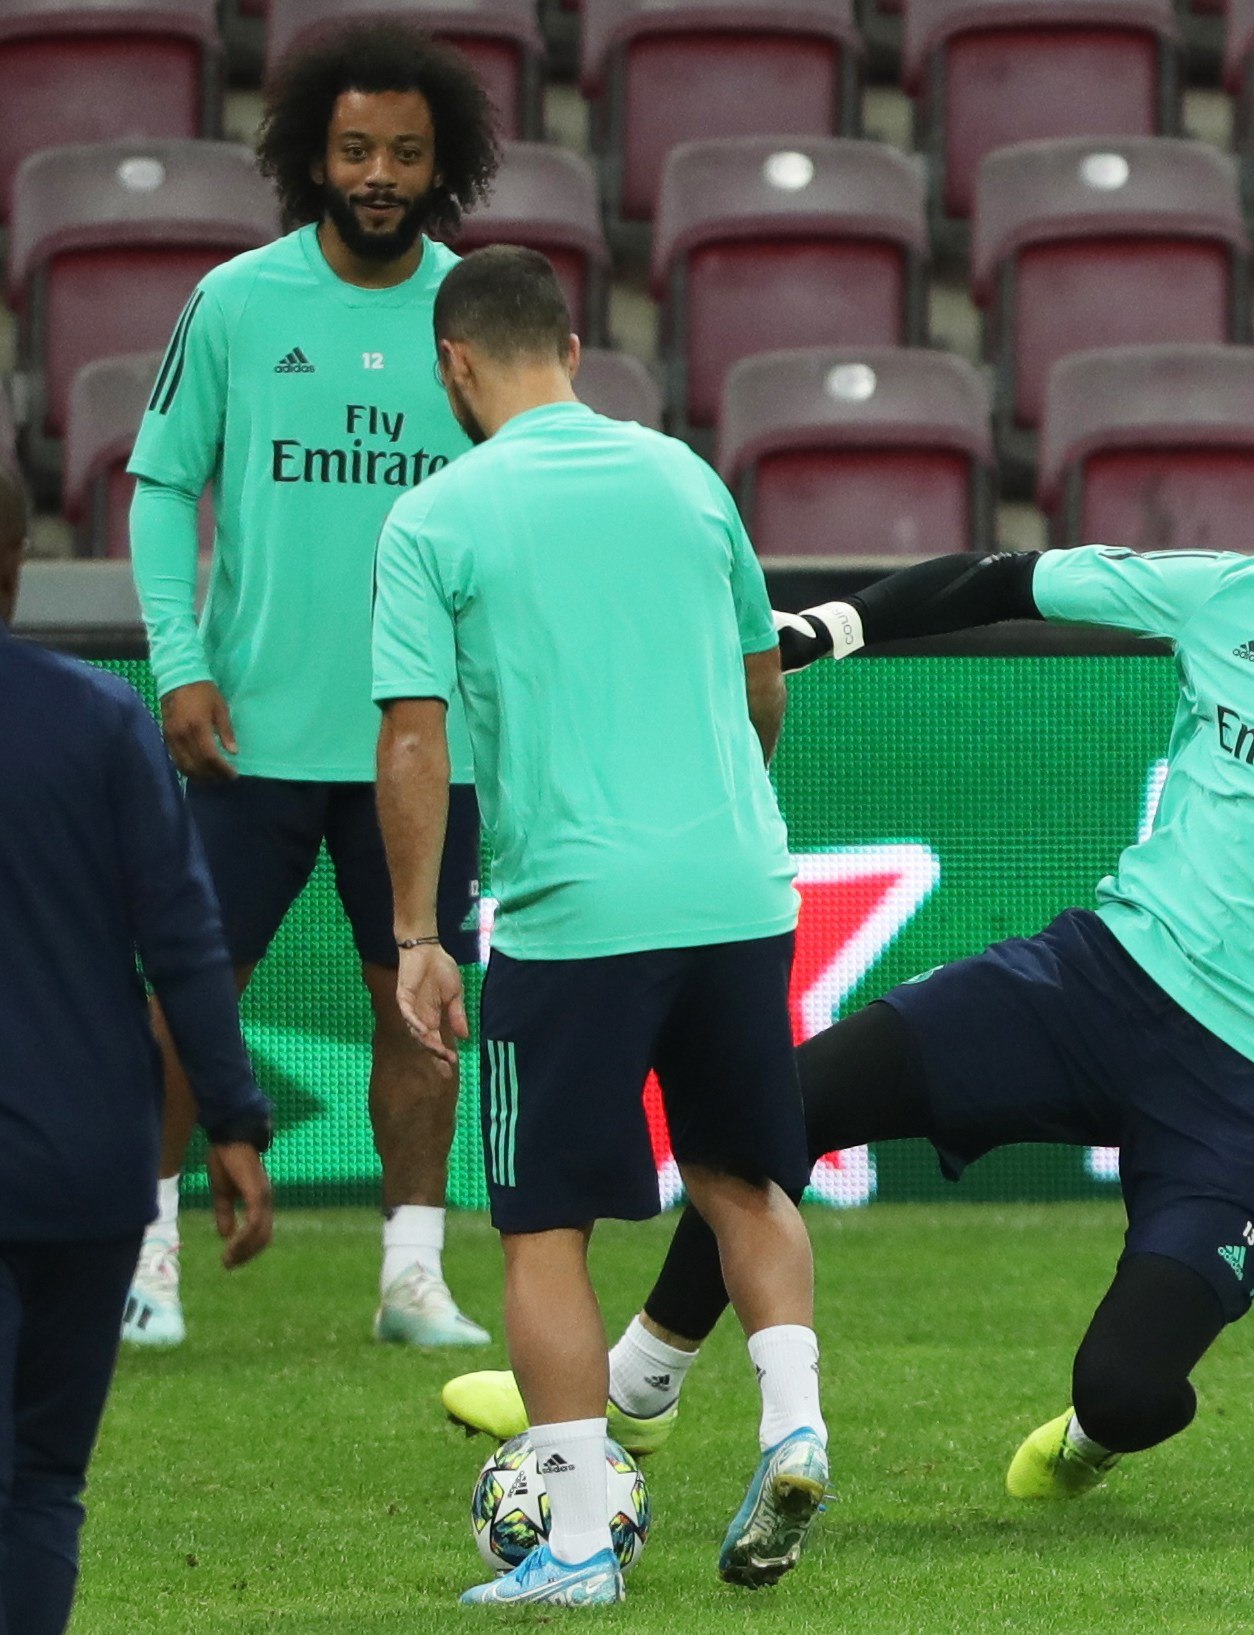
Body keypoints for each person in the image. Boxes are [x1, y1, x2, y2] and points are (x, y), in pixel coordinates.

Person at [444, 364, 1254, 1503]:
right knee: (784, 1102)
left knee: (1126, 1388)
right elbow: (1007, 578)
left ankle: (1090, 1442)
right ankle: (639, 1387)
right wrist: (828, 629)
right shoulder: (1233, 593)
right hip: (1104, 984)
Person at [372, 247, 826, 1607]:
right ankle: (792, 1420)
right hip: (741, 886)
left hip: (577, 910)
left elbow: (410, 735)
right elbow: (761, 683)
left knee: (543, 1224)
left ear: (454, 364)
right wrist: (729, 821)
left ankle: (575, 1542)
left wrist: (417, 930)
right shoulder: (689, 476)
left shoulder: (436, 516)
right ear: (571, 343)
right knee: (743, 1174)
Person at [124, 22, 504, 1350]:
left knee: (420, 998)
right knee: (188, 993)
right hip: (253, 736)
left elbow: (522, 503)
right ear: (311, 157)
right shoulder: (237, 302)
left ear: (442, 160)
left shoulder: (475, 310)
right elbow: (164, 483)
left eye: (406, 149)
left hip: (424, 741)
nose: (381, 171)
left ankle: (413, 1276)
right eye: (356, 148)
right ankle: (147, 1254)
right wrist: (180, 661)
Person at [0, 470, 276, 1635]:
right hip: (86, 1168)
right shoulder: (105, 722)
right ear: (19, 556)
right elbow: (183, 942)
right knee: (44, 1480)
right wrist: (233, 1123)